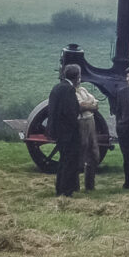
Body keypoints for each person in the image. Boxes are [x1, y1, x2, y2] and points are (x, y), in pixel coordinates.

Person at [47, 64, 82, 197]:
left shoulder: (57, 87)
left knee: (63, 160)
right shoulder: (68, 90)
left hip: (58, 131)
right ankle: (66, 190)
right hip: (68, 132)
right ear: (76, 77)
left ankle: (60, 188)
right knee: (69, 161)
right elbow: (70, 112)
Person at [75, 80, 100, 191]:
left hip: (90, 120)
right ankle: (75, 185)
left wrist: (88, 104)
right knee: (80, 152)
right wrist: (89, 104)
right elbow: (81, 106)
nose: (79, 80)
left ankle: (90, 186)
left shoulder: (83, 89)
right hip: (81, 122)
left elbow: (95, 104)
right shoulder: (72, 92)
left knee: (94, 153)